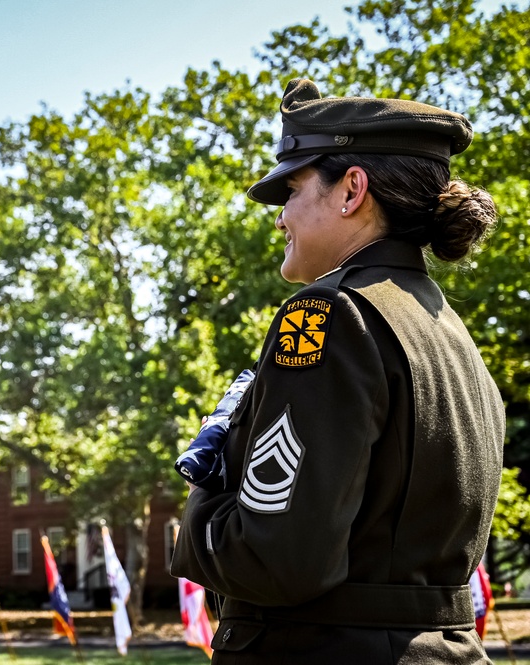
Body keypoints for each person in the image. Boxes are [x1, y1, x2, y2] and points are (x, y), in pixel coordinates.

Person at [170, 78, 505, 664]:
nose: (280, 218)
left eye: (292, 189)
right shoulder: (450, 330)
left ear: (351, 190)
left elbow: (276, 559)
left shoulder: (325, 314)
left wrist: (202, 489)